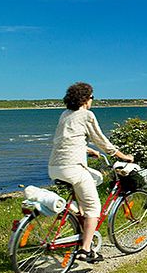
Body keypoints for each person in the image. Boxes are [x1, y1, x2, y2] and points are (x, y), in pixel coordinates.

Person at [48, 82, 134, 263]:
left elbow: (64, 140)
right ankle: (85, 250)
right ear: (86, 99)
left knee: (96, 177)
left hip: (55, 167)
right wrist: (122, 155)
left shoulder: (65, 114)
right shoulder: (87, 115)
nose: (92, 100)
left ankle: (79, 216)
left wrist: (87, 150)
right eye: (92, 97)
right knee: (94, 209)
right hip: (73, 168)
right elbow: (101, 140)